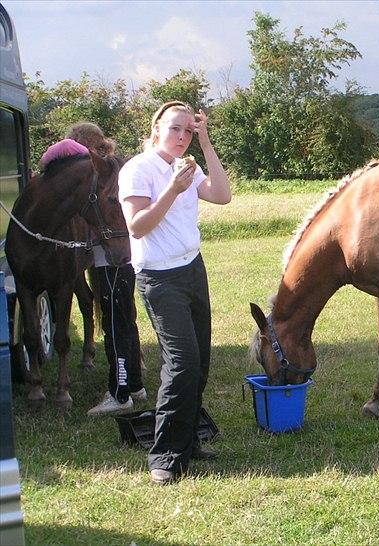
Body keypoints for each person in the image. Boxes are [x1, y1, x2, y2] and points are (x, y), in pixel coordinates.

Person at [118, 101, 231, 485]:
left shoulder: (187, 166)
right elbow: (137, 226)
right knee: (181, 363)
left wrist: (207, 143)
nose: (182, 137)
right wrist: (173, 189)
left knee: (199, 362)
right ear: (156, 129)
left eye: (188, 130)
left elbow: (222, 194)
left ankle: (188, 441)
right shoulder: (138, 169)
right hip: (159, 277)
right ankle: (164, 456)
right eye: (175, 129)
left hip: (192, 270)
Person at [37, 124, 146, 416]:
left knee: (113, 321)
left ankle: (120, 392)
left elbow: (57, 152)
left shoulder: (100, 170)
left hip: (111, 254)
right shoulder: (114, 168)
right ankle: (134, 382)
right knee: (124, 316)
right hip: (116, 253)